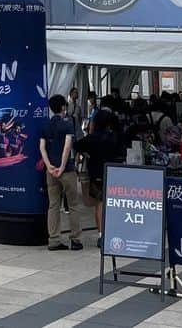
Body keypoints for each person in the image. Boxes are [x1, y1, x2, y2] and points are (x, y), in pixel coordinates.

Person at [74, 109, 125, 246]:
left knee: (100, 204)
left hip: (96, 174)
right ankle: (116, 231)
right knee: (115, 204)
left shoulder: (92, 138)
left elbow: (76, 145)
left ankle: (102, 235)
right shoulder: (115, 137)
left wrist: (87, 154)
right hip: (115, 173)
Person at [40, 94, 83, 251]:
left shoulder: (46, 125)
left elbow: (42, 147)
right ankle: (76, 239)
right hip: (67, 170)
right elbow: (67, 147)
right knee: (73, 205)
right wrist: (62, 166)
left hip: (50, 170)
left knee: (53, 205)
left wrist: (49, 165)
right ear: (63, 107)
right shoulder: (67, 124)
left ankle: (54, 239)